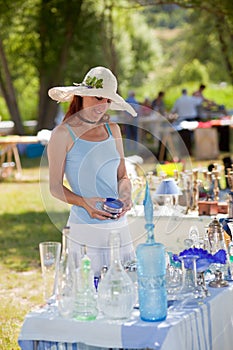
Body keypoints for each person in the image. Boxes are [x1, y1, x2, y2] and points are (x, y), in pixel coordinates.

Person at [47, 66, 137, 276]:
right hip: (85, 229)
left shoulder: (112, 130)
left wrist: (125, 194)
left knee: (124, 293)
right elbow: (54, 188)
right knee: (87, 295)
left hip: (119, 228)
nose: (102, 106)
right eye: (98, 98)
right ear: (82, 96)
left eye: (107, 101)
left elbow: (122, 175)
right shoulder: (62, 134)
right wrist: (84, 202)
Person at [171, 88, 202, 154]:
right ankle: (191, 149)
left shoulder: (178, 100)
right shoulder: (191, 99)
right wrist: (199, 94)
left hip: (183, 120)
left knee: (184, 136)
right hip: (191, 119)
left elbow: (173, 111)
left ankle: (186, 150)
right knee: (191, 136)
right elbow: (200, 101)